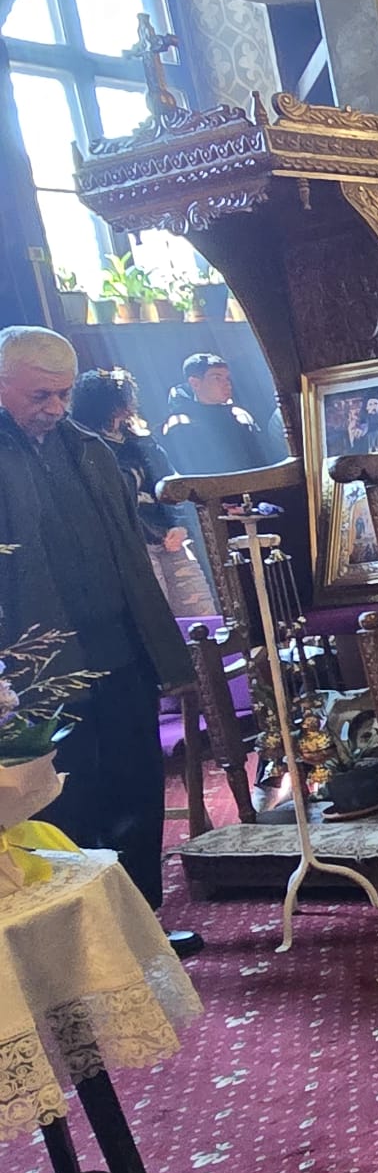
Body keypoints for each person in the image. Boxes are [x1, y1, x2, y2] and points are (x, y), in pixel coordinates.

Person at [0, 329, 199, 952]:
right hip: (38, 666)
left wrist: (160, 648)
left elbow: (131, 556)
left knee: (135, 784)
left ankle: (143, 926)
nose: (56, 408)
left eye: (63, 394)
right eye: (40, 395)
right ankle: (84, 947)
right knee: (65, 800)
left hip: (118, 648)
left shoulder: (87, 447)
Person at [70, 369, 215, 616]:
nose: (129, 404)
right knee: (157, 616)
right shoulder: (83, 448)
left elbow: (173, 485)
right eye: (121, 398)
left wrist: (180, 525)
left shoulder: (141, 442)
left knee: (202, 613)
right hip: (132, 547)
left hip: (169, 538)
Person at [158, 353, 283, 476]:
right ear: (195, 383)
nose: (227, 384)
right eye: (217, 378)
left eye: (227, 378)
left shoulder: (241, 416)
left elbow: (265, 457)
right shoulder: (180, 425)